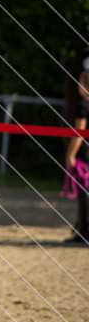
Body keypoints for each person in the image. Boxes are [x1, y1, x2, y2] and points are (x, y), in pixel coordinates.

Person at [63, 67, 89, 244]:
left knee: (84, 192)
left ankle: (85, 230)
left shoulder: (83, 105)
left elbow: (79, 132)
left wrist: (70, 155)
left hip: (85, 155)